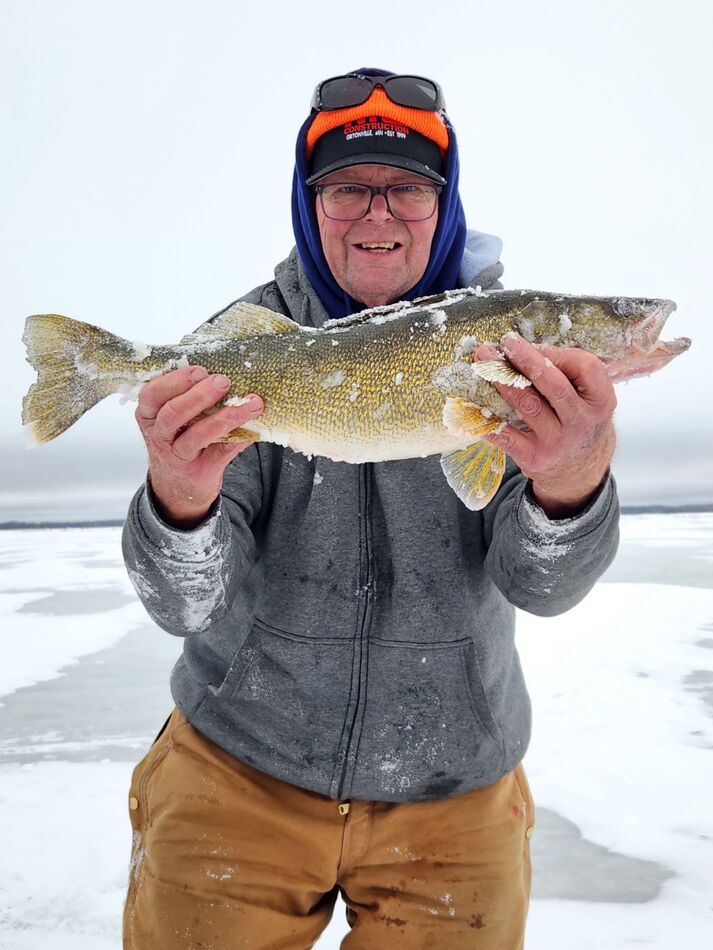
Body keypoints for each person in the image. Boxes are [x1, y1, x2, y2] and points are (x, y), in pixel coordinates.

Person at [121, 68, 619, 949]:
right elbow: (182, 606)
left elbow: (543, 590)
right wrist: (181, 495)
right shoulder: (242, 347)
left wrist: (567, 482)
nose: (378, 215)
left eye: (408, 190)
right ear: (309, 206)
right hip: (236, 773)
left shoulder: (512, 357)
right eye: (348, 189)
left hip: (456, 794)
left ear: (445, 201)